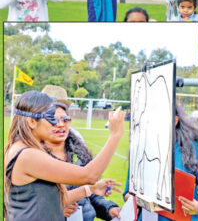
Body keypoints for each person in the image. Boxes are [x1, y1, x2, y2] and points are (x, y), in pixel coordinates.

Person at [4, 91, 125, 221]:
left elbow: (45, 198)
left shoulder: (22, 149)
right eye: (51, 118)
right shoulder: (28, 155)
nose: (57, 124)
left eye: (63, 119)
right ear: (32, 122)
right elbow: (90, 175)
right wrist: (115, 135)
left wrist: (90, 189)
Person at [44, 99, 121, 220]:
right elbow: (30, 203)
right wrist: (55, 209)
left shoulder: (79, 155)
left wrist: (110, 209)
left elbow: (90, 196)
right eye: (53, 120)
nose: (60, 124)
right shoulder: (35, 159)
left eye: (65, 119)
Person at [123, 104, 198, 220]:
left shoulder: (194, 149)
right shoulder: (140, 150)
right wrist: (139, 200)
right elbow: (127, 194)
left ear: (175, 120)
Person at [172, 0, 198, 73]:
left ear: (194, 7)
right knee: (179, 73)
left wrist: (191, 27)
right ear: (178, 7)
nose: (185, 10)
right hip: (180, 51)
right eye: (182, 7)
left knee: (195, 73)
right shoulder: (175, 19)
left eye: (189, 7)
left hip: (196, 51)